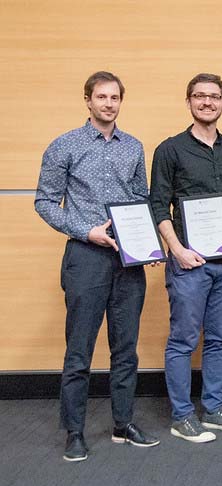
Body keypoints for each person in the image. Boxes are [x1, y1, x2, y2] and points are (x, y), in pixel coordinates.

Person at [34, 71, 160, 462]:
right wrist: (87, 231)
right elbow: (44, 201)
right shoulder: (65, 145)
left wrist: (146, 243)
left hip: (127, 259)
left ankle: (123, 423)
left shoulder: (134, 147)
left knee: (126, 349)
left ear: (121, 102)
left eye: (115, 97)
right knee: (80, 350)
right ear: (87, 100)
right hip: (86, 258)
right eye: (101, 97)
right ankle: (75, 431)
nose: (109, 103)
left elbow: (141, 199)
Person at [150, 73, 222, 443]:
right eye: (200, 96)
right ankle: (181, 415)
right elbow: (159, 205)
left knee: (220, 339)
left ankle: (214, 407)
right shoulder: (170, 150)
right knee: (182, 340)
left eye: (214, 97)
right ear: (189, 101)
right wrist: (177, 250)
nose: (207, 102)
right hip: (189, 264)